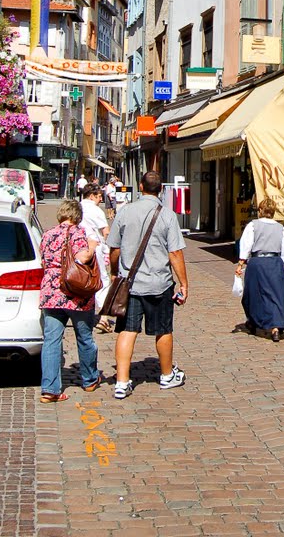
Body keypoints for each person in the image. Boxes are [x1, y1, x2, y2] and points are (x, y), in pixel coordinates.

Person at [107, 171, 188, 400]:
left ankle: (122, 381)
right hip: (159, 283)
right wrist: (183, 283)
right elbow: (175, 253)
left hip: (130, 284)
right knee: (163, 329)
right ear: (161, 189)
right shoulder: (168, 216)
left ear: (140, 186)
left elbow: (114, 249)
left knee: (127, 330)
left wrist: (115, 272)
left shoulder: (125, 212)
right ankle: (166, 375)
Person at [39, 199, 102, 403]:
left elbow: (43, 261)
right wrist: (92, 246)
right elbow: (82, 258)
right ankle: (90, 379)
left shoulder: (48, 234)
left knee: (51, 340)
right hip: (75, 293)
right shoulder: (77, 233)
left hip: (51, 292)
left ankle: (50, 389)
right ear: (77, 216)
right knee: (84, 337)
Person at [235, 198, 284, 342]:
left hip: (258, 263)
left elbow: (246, 244)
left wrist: (241, 263)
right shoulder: (280, 228)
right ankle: (275, 327)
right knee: (276, 295)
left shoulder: (253, 225)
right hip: (275, 263)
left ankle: (255, 321)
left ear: (260, 210)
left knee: (254, 294)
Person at [80, 183, 113, 334]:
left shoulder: (77, 207)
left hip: (78, 246)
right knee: (102, 280)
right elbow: (105, 231)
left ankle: (79, 313)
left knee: (81, 279)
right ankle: (104, 317)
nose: (101, 199)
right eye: (99, 196)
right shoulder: (95, 210)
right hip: (95, 246)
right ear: (92, 196)